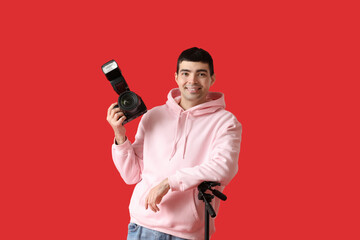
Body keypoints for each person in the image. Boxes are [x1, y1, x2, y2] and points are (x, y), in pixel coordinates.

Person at [106, 47, 242, 240]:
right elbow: (131, 175)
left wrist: (169, 183)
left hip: (186, 233)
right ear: (176, 77)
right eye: (186, 73)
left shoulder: (226, 122)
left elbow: (224, 168)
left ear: (212, 79)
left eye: (201, 74)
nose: (192, 81)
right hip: (140, 227)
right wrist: (120, 137)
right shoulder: (153, 116)